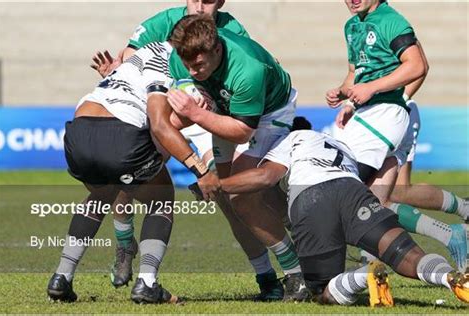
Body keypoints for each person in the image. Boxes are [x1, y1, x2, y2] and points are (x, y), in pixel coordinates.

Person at [90, 1, 291, 300]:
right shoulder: (163, 22)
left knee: (227, 197)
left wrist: (204, 114)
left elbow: (242, 90)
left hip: (213, 115)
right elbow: (132, 59)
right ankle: (124, 242)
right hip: (170, 114)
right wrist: (116, 75)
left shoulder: (232, 30)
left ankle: (265, 275)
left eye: (207, 0)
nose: (199, 5)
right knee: (129, 165)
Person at [206, 127, 469, 305]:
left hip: (311, 198)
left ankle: (363, 275)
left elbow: (267, 177)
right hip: (352, 190)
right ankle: (450, 278)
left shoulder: (287, 140)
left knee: (321, 291)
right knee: (406, 254)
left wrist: (219, 185)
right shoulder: (338, 143)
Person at [47, 40, 220, 304]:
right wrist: (200, 170)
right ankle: (146, 283)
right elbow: (163, 127)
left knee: (101, 196)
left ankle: (62, 277)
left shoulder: (134, 60)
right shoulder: (167, 63)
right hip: (119, 134)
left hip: (78, 133)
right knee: (161, 198)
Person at [167, 14, 309, 301]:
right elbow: (172, 120)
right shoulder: (181, 54)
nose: (192, 71)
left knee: (241, 196)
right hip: (224, 109)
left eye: (198, 66)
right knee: (233, 196)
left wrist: (196, 113)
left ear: (217, 49)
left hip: (269, 112)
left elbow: (242, 131)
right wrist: (190, 107)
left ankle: (298, 274)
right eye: (187, 65)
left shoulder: (248, 69)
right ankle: (294, 246)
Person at [326, 0, 467, 272]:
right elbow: (356, 74)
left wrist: (390, 95)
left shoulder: (392, 21)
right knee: (376, 202)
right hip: (370, 113)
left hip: (387, 114)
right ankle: (449, 237)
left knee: (349, 191)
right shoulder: (352, 26)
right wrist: (345, 96)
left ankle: (363, 264)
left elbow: (418, 66)